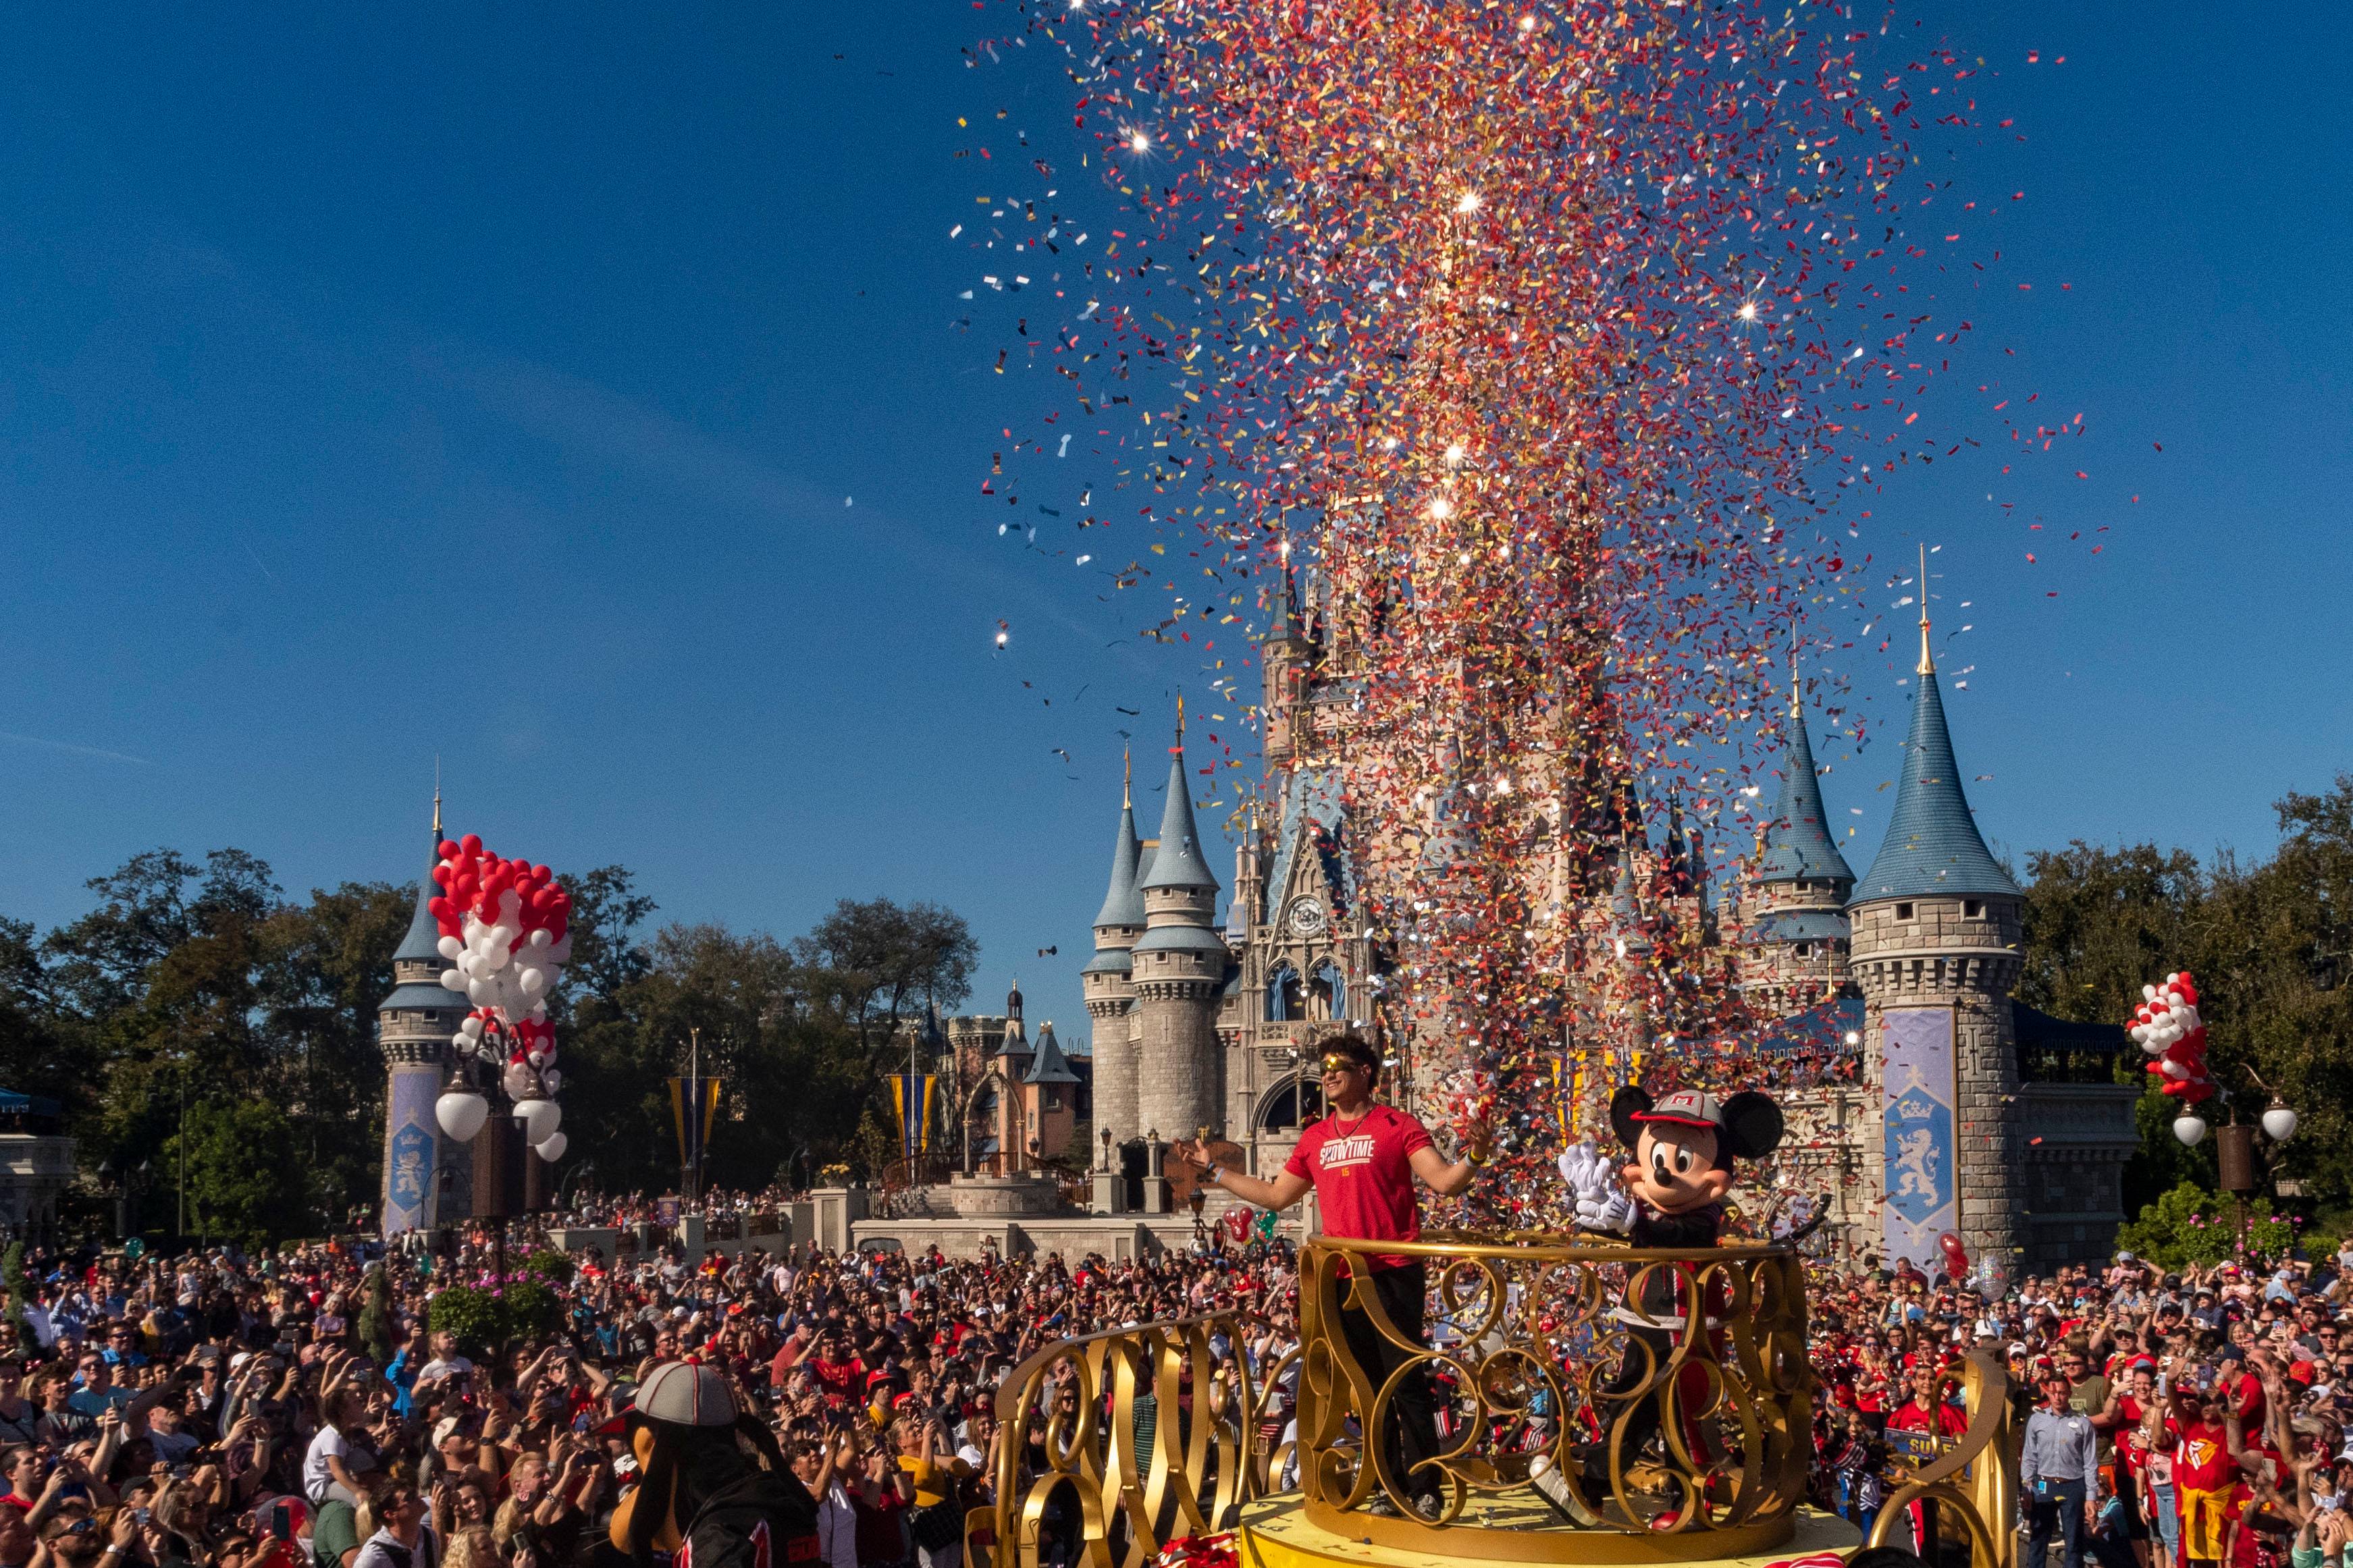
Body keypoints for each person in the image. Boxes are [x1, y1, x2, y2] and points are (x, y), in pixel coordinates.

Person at [1173, 1032, 1483, 1521]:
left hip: (1392, 1273)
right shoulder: (1315, 1136)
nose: (1328, 1072)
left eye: (1339, 1063)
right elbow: (1277, 1196)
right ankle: (1387, 1483)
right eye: (1323, 1065)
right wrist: (1213, 1168)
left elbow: (1443, 1181)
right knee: (1368, 1385)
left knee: (1405, 1383)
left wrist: (1475, 1156)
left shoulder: (1397, 1125)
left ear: (1366, 1071)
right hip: (1341, 1276)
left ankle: (1425, 1486)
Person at [2024, 1370, 2100, 1568]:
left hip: (2073, 1485)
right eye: (2054, 1392)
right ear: (2048, 1393)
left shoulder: (2083, 1423)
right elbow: (2030, 1456)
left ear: (2070, 1394)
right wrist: (2027, 1487)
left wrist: (2091, 1496)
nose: (2058, 1397)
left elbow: (2090, 1462)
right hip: (2043, 1484)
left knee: (2074, 1542)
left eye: (2063, 1393)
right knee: (2039, 1538)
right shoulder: (2037, 1420)